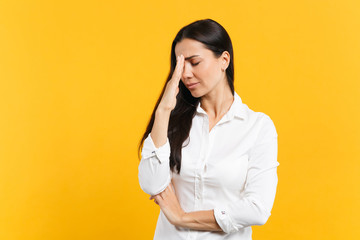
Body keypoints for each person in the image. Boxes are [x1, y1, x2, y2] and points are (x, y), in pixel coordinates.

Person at [138, 19, 279, 240]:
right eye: (180, 65)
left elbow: (257, 208)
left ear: (224, 60)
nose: (185, 74)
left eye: (194, 62)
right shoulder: (171, 122)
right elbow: (151, 183)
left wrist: (181, 218)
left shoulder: (257, 127)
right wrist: (163, 110)